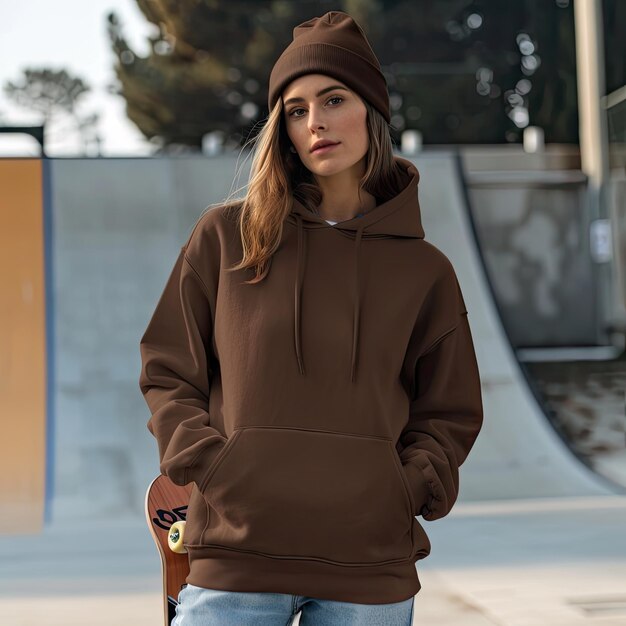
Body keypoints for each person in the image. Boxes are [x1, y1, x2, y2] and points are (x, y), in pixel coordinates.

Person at [139, 10, 484, 626]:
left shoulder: (424, 270)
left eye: (333, 99)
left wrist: (400, 490)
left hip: (368, 569)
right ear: (283, 130)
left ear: (372, 112)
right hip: (236, 560)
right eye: (295, 110)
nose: (315, 122)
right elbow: (169, 370)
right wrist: (211, 465)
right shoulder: (226, 240)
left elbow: (449, 412)